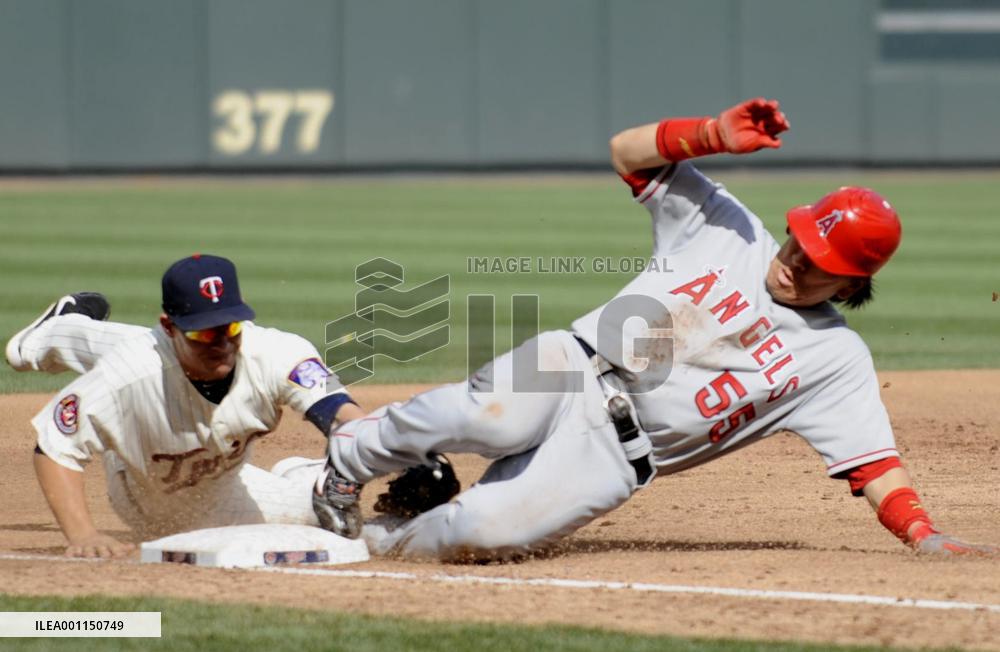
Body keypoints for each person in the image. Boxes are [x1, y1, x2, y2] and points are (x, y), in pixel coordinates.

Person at [311, 97, 996, 562]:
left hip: (614, 460)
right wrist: (712, 136)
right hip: (573, 367)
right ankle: (344, 466)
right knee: (485, 415)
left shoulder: (835, 360)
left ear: (852, 286)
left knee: (479, 531)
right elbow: (628, 153)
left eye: (820, 265)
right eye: (799, 242)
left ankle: (371, 544)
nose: (796, 262)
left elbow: (874, 464)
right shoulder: (728, 228)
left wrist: (923, 536)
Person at [6, 254, 365, 558]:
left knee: (162, 357)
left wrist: (371, 454)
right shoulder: (127, 376)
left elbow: (343, 414)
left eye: (231, 326)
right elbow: (56, 446)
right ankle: (52, 335)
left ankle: (59, 329)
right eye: (204, 331)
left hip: (211, 457)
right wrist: (82, 536)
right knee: (139, 369)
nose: (221, 342)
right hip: (152, 492)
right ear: (168, 325)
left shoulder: (277, 352)